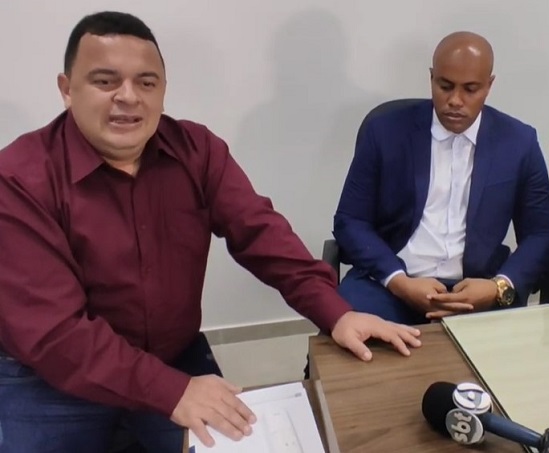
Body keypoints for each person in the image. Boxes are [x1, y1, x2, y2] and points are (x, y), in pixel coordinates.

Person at [0, 11, 422, 452]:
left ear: (163, 89)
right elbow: (55, 333)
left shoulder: (196, 150)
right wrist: (171, 391)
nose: (128, 97)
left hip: (171, 358)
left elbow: (261, 234)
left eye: (146, 82)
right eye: (105, 81)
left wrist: (338, 313)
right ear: (67, 89)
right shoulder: (18, 179)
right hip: (51, 379)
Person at [333, 31, 549, 325]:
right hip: (391, 282)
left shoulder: (518, 142)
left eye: (470, 89)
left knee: (503, 352)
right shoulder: (385, 132)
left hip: (478, 286)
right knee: (353, 338)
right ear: (431, 78)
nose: (455, 100)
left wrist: (498, 286)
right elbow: (350, 220)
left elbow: (541, 233)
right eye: (445, 86)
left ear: (489, 85)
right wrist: (398, 281)